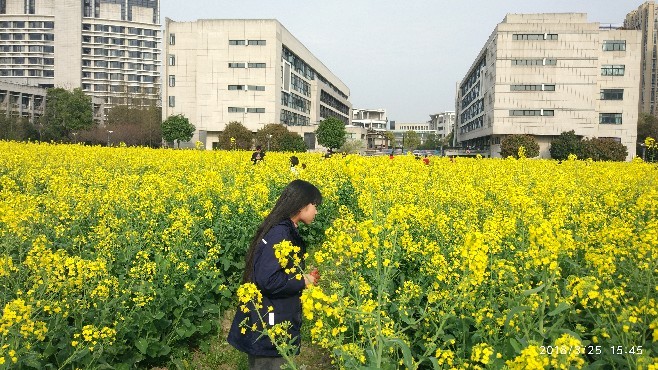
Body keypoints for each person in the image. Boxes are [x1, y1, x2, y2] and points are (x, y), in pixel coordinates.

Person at [228, 180, 321, 369]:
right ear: (302, 206)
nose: (316, 212)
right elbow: (268, 280)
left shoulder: (281, 228)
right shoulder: (280, 234)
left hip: (273, 313)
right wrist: (302, 280)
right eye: (315, 206)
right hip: (270, 320)